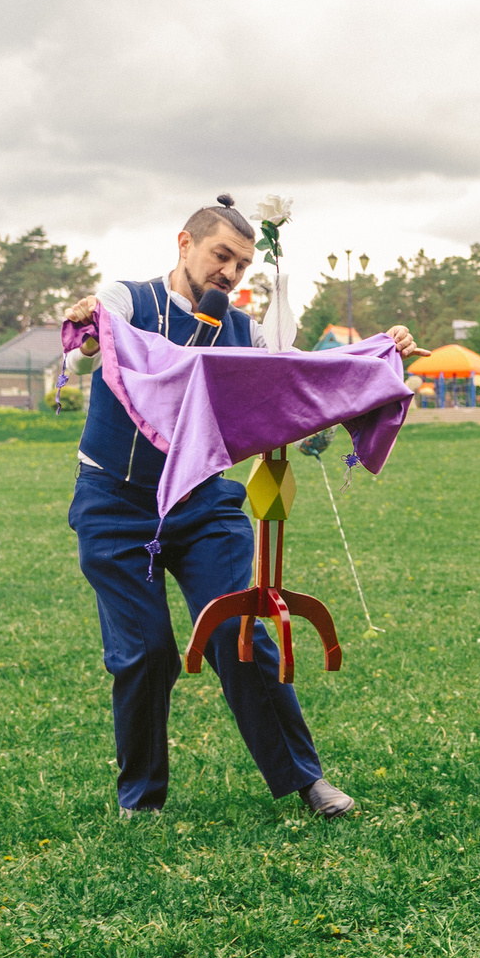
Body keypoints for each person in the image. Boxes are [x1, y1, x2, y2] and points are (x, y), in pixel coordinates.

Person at [62, 195, 420, 818]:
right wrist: (89, 329)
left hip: (205, 503)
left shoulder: (244, 330)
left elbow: (293, 392)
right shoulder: (126, 300)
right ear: (184, 243)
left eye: (242, 264)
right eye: (220, 255)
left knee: (240, 628)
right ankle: (140, 800)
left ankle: (307, 781)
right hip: (115, 503)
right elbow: (82, 351)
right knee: (146, 651)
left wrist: (376, 360)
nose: (229, 272)